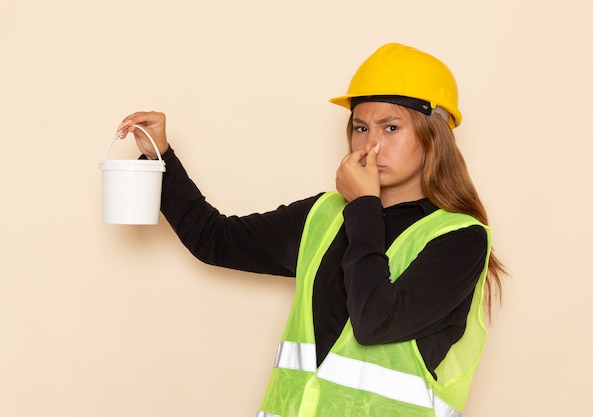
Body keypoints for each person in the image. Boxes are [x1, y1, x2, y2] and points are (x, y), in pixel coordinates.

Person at [117, 43, 505, 417]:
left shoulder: (460, 239)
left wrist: (364, 205)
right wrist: (159, 155)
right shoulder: (324, 215)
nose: (370, 146)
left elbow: (374, 322)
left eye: (390, 128)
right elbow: (214, 240)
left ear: (433, 136)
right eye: (360, 127)